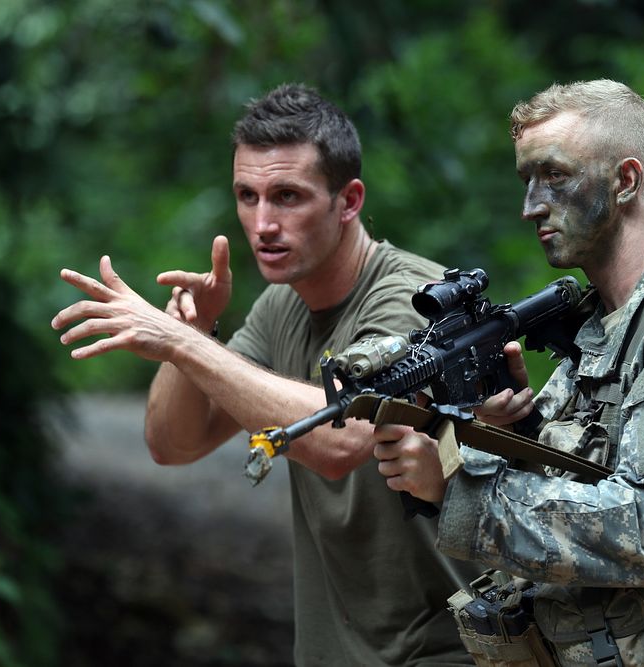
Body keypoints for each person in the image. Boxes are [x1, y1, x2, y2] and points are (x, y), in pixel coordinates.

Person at [51, 82, 481, 666]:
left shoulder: (411, 301)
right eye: (247, 196)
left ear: (348, 200)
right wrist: (195, 337)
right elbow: (173, 445)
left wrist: (181, 342)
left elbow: (341, 441)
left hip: (447, 650)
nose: (263, 222)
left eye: (286, 196)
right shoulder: (282, 307)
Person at [372, 79, 644, 665]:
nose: (531, 206)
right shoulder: (601, 332)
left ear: (626, 181)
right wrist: (510, 437)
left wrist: (456, 489)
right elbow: (579, 487)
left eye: (555, 176)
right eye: (527, 180)